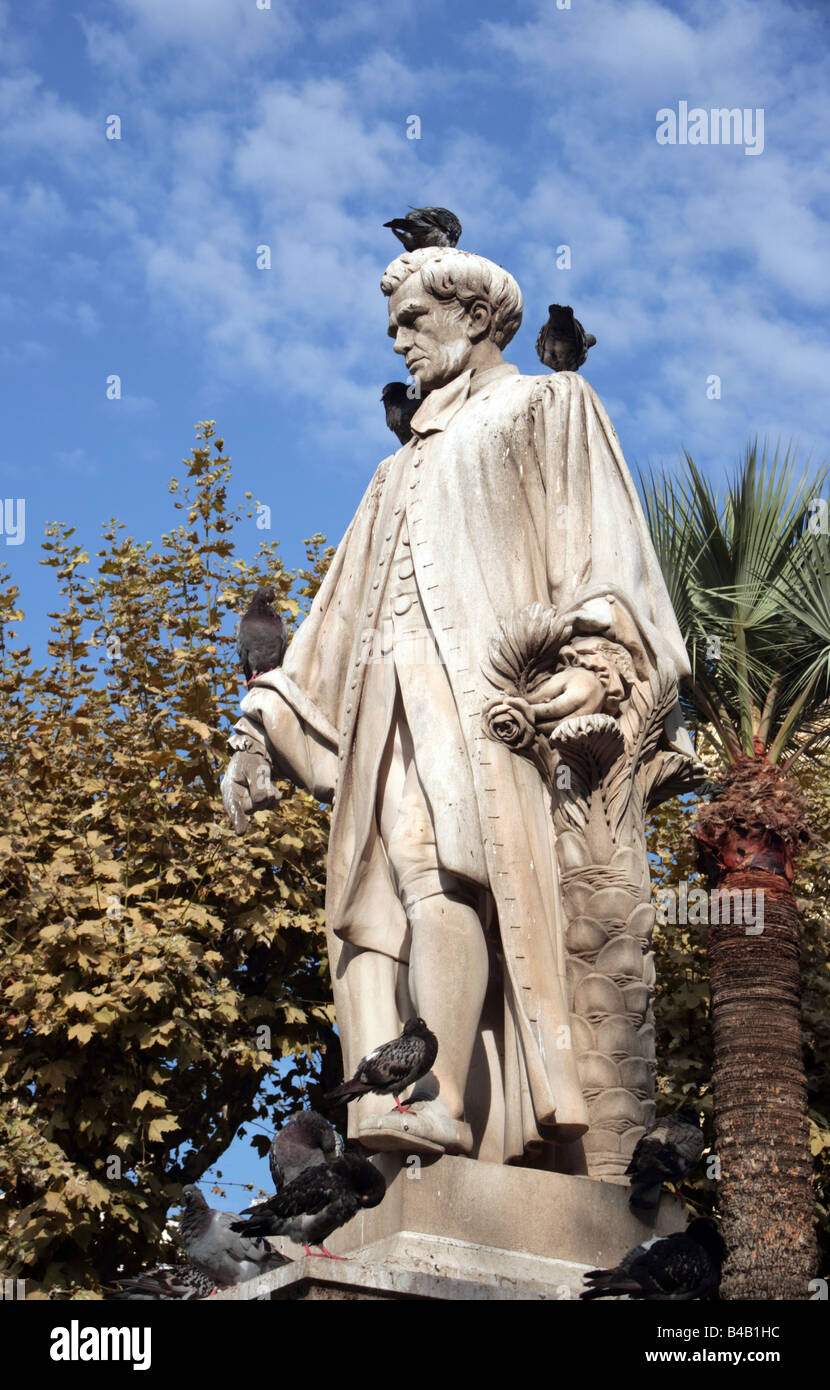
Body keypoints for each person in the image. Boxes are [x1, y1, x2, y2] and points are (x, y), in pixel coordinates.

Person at [222, 247, 697, 1165]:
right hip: (378, 716)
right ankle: (379, 1120)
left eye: (413, 321)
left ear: (476, 318)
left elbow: (601, 547)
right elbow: (327, 622)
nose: (398, 341)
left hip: (480, 704)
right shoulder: (391, 471)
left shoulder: (547, 406)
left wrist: (598, 665)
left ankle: (433, 1099)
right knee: (367, 913)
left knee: (443, 876)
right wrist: (257, 732)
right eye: (393, 326)